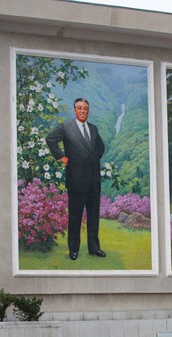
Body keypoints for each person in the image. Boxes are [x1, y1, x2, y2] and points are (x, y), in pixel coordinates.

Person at [46, 98, 106, 260]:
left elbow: (100, 148)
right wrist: (61, 157)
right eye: (79, 108)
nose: (82, 111)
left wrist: (91, 160)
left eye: (85, 108)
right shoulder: (66, 127)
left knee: (93, 217)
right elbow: (50, 139)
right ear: (74, 110)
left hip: (93, 182)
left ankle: (94, 248)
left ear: (88, 111)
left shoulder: (93, 129)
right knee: (75, 217)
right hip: (76, 181)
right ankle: (74, 250)